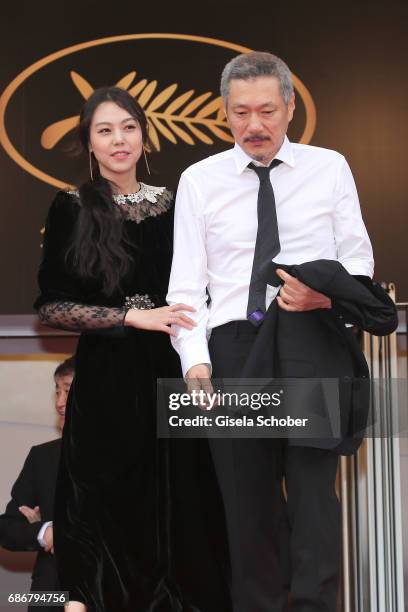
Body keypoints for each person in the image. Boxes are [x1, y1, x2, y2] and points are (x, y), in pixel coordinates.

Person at [167, 52, 377, 611]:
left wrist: (326, 297)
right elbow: (186, 288)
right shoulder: (198, 180)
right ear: (224, 114)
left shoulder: (329, 167)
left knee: (314, 505)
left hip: (312, 342)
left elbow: (359, 264)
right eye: (240, 113)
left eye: (266, 110)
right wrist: (195, 361)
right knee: (248, 509)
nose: (254, 126)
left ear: (289, 107)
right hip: (233, 351)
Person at [33, 86, 230, 612]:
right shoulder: (71, 206)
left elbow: (206, 285)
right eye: (105, 130)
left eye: (128, 127)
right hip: (107, 375)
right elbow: (51, 306)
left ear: (145, 135)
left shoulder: (177, 203)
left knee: (183, 499)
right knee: (104, 499)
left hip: (176, 366)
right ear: (90, 144)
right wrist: (128, 316)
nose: (118, 140)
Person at [0, 357, 75, 612]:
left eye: (67, 390)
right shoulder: (43, 457)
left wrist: (64, 532)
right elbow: (8, 527)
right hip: (50, 598)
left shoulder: (126, 458)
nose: (59, 403)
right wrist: (44, 532)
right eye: (57, 391)